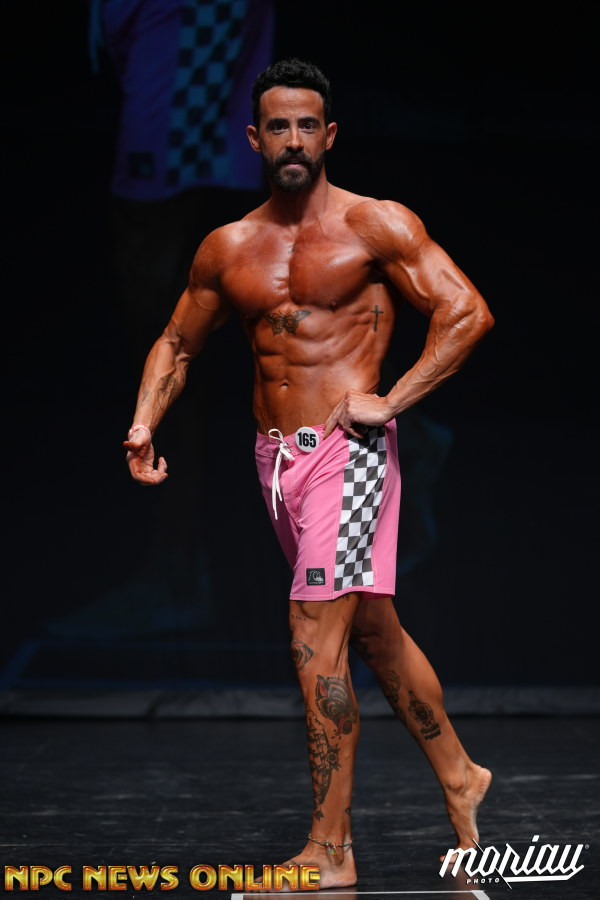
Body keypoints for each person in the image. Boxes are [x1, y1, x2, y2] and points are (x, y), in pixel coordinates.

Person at [124, 58, 495, 889]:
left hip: (348, 454)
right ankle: (461, 773)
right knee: (372, 631)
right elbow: (177, 343)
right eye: (277, 127)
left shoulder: (376, 224)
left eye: (306, 126)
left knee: (312, 637)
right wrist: (146, 421)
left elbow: (466, 312)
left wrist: (391, 400)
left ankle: (329, 851)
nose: (292, 140)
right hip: (276, 464)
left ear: (329, 135)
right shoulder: (229, 246)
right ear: (254, 140)